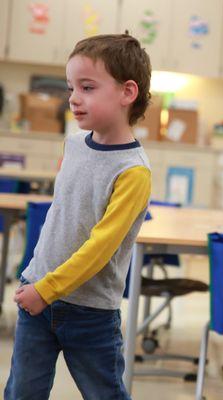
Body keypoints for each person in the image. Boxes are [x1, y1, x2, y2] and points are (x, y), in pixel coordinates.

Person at [4, 33, 152, 400]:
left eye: (87, 87)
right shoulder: (72, 143)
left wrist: (46, 290)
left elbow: (100, 247)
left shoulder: (133, 172)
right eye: (72, 87)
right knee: (22, 391)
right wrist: (36, 282)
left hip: (90, 313)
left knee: (105, 395)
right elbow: (63, 214)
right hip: (37, 293)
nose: (73, 98)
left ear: (127, 92)